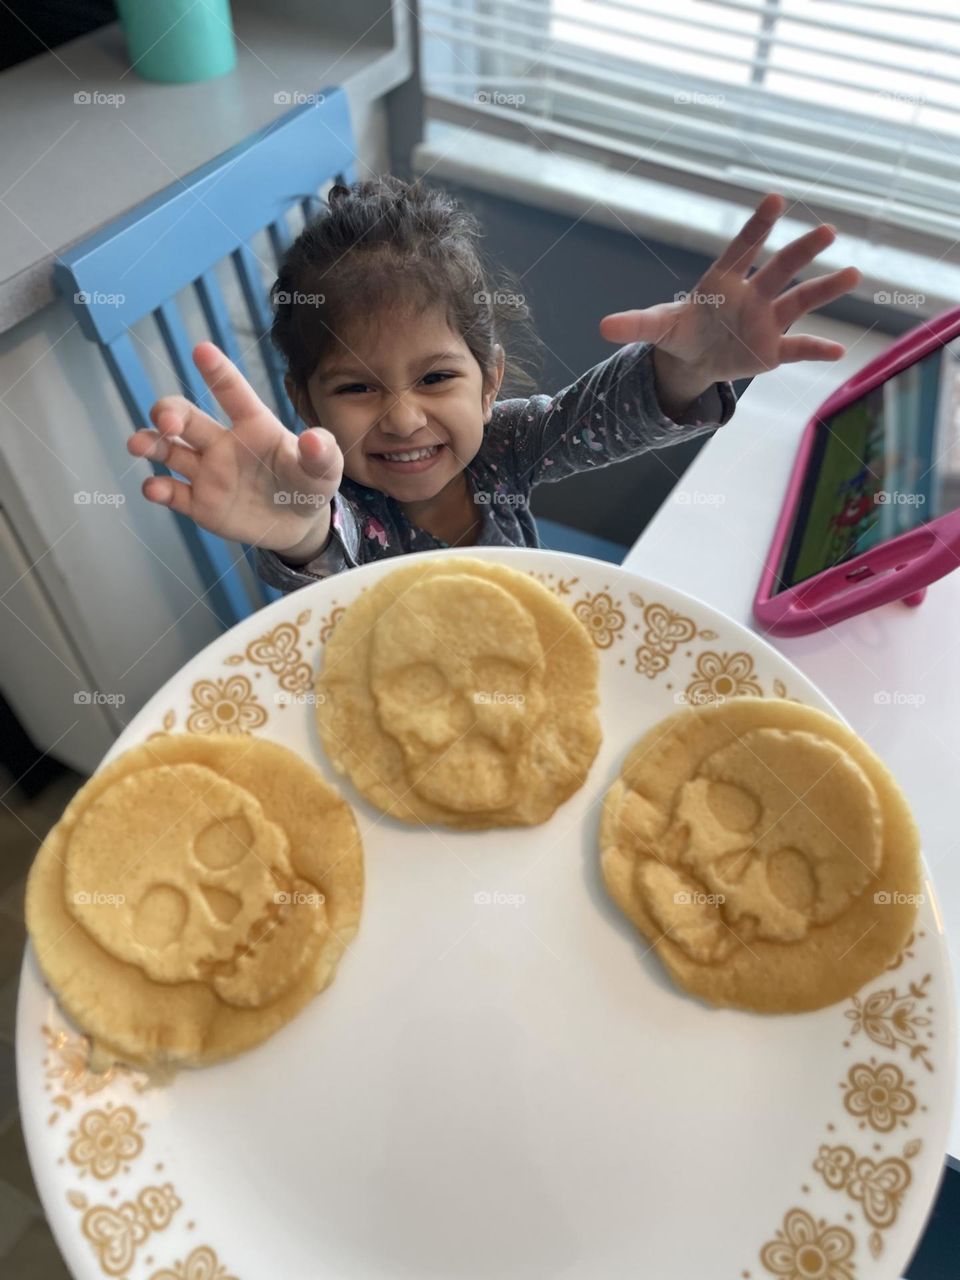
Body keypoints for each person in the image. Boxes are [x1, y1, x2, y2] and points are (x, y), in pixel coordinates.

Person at [126, 179, 860, 593]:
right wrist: (299, 526)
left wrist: (688, 367)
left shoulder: (502, 446)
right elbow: (324, 546)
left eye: (437, 377)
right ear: (305, 402)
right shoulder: (326, 501)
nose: (405, 418)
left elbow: (600, 415)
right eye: (356, 388)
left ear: (489, 383)